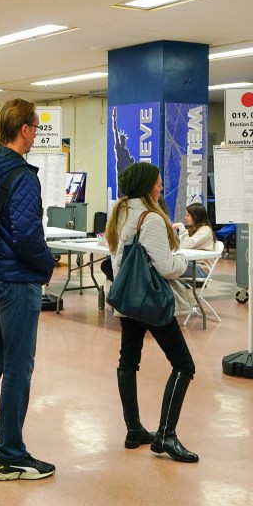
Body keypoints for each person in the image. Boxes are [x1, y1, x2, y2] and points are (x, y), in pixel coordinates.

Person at [0, 99, 56, 481]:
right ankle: (11, 455)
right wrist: (47, 265)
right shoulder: (23, 176)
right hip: (18, 283)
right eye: (36, 128)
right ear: (23, 129)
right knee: (18, 366)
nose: (36, 134)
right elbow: (26, 236)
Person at [107, 162, 199, 463]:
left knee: (128, 361)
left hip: (128, 300)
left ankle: (134, 429)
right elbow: (167, 267)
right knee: (184, 365)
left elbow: (116, 259)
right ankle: (166, 435)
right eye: (158, 184)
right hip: (151, 302)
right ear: (148, 187)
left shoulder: (119, 212)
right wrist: (183, 260)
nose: (161, 188)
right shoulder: (152, 219)